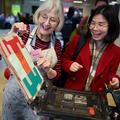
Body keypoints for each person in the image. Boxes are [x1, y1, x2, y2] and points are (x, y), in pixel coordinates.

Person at [2, 0, 64, 119]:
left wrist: (48, 69)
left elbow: (56, 75)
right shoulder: (24, 32)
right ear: (38, 15)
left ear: (58, 23)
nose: (46, 23)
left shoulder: (56, 44)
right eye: (44, 17)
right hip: (15, 94)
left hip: (38, 97)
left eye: (53, 19)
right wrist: (11, 35)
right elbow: (3, 54)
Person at [61, 5, 120, 93]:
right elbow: (63, 59)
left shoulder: (116, 51)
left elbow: (110, 75)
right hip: (72, 92)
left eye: (101, 24)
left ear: (111, 26)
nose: (95, 28)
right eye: (92, 23)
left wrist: (115, 80)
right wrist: (69, 64)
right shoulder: (78, 40)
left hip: (95, 97)